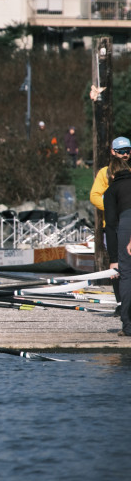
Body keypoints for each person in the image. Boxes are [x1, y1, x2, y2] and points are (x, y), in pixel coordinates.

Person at [89, 136, 131, 315]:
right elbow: (94, 196)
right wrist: (111, 204)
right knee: (116, 266)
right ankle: (121, 303)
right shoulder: (105, 172)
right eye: (121, 151)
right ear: (113, 152)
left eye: (128, 150)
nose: (125, 154)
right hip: (113, 225)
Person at [101, 157, 131, 337]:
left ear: (112, 175)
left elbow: (110, 226)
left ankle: (128, 326)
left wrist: (113, 259)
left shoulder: (111, 190)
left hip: (127, 223)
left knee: (126, 275)